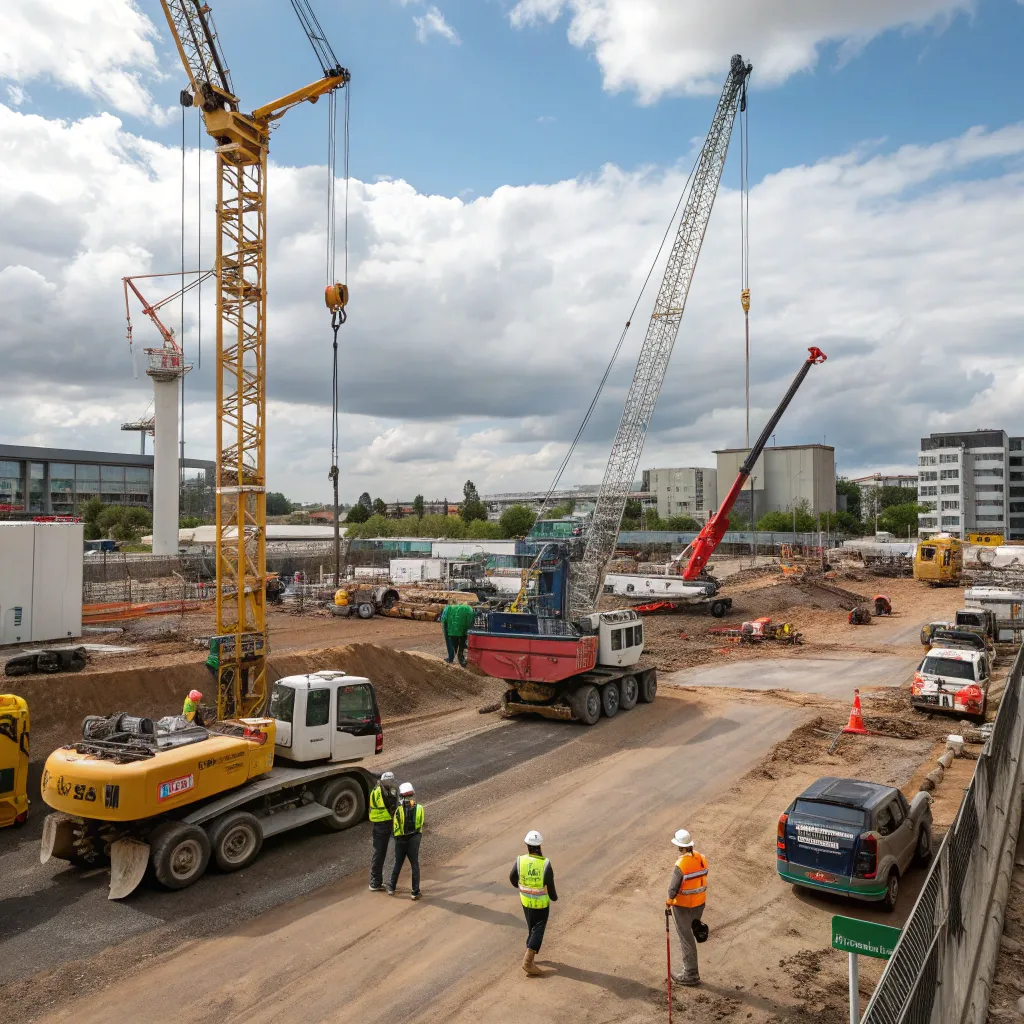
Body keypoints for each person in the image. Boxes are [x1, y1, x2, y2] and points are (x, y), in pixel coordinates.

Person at [510, 829, 558, 976]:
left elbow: (512, 879)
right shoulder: (545, 864)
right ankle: (528, 961)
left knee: (532, 927)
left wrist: (525, 886)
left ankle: (529, 949)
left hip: (525, 902)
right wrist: (554, 897)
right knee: (538, 927)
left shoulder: (520, 860)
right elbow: (550, 885)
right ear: (540, 845)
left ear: (527, 845)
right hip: (541, 904)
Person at [665, 828, 708, 987]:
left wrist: (669, 902)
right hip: (700, 903)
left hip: (683, 906)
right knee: (691, 935)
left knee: (686, 939)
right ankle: (691, 971)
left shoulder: (681, 864)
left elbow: (672, 889)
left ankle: (690, 974)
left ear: (680, 847)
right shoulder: (701, 858)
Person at [388, 782, 424, 899]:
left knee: (398, 863)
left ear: (401, 795)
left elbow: (395, 827)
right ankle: (415, 892)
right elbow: (420, 823)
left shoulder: (397, 810)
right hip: (414, 839)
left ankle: (391, 888)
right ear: (412, 793)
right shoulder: (419, 808)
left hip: (400, 841)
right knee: (415, 865)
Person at [368, 771, 399, 891]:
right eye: (391, 781)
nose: (392, 783)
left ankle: (375, 882)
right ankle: (377, 882)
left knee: (378, 853)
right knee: (386, 854)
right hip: (385, 825)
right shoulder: (389, 793)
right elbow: (393, 809)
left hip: (377, 824)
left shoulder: (376, 790)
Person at [446, 600, 475, 667]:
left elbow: (445, 618)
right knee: (461, 646)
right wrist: (467, 631)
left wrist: (448, 628)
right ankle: (461, 660)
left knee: (454, 646)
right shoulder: (468, 608)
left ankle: (450, 659)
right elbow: (469, 620)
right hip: (462, 632)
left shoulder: (449, 607)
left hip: (452, 631)